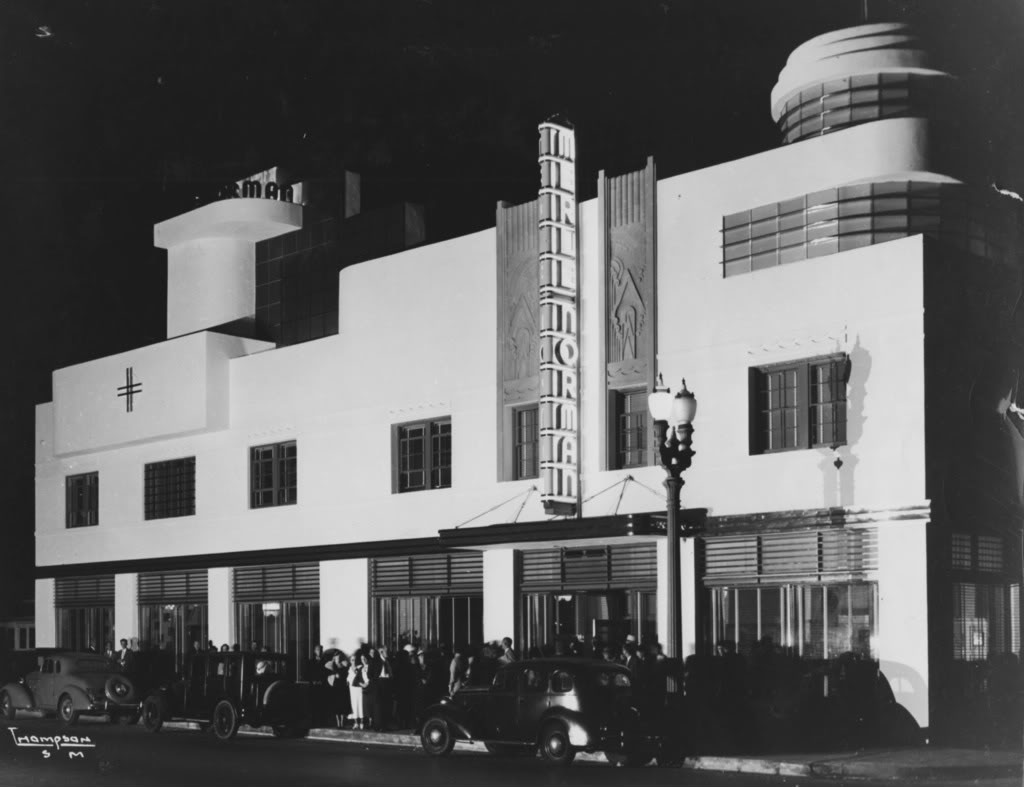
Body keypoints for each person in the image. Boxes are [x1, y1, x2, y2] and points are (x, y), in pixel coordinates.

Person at [325, 651, 352, 728]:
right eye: (337, 657)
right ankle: (338, 722)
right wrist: (334, 674)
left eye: (339, 657)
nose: (338, 658)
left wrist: (343, 663)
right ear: (334, 657)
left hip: (343, 685)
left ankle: (342, 722)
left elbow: (347, 669)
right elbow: (326, 666)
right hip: (336, 686)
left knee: (342, 704)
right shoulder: (332, 665)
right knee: (336, 705)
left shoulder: (344, 664)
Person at [348, 652, 370, 730]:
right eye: (352, 660)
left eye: (355, 660)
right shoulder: (350, 669)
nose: (353, 661)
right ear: (350, 661)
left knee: (360, 705)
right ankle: (355, 722)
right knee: (354, 705)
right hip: (352, 690)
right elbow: (348, 680)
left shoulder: (359, 667)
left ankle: (362, 722)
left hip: (359, 689)